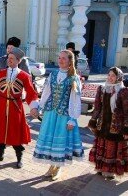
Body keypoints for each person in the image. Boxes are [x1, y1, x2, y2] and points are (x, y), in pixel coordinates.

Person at [32, 50, 84, 180]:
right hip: (50, 113)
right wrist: (40, 107)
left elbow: (75, 100)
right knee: (50, 141)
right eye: (59, 58)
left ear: (70, 61)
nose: (60, 60)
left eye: (64, 58)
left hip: (64, 115)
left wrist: (72, 119)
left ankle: (58, 167)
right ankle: (51, 166)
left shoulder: (74, 78)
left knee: (59, 140)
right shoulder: (53, 75)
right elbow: (46, 93)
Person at [0, 47, 39, 169]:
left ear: (18, 60)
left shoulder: (24, 76)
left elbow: (31, 93)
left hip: (16, 107)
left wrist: (34, 107)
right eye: (8, 58)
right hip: (2, 107)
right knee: (0, 130)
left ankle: (19, 158)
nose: (9, 60)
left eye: (12, 59)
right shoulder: (0, 74)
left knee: (16, 133)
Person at [88, 67, 128, 180]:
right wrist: (93, 121)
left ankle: (110, 171)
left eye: (113, 75)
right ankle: (101, 168)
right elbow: (97, 107)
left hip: (116, 127)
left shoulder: (123, 91)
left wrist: (127, 129)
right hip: (103, 125)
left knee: (112, 149)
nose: (110, 77)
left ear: (119, 77)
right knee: (102, 147)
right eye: (109, 75)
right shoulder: (102, 89)